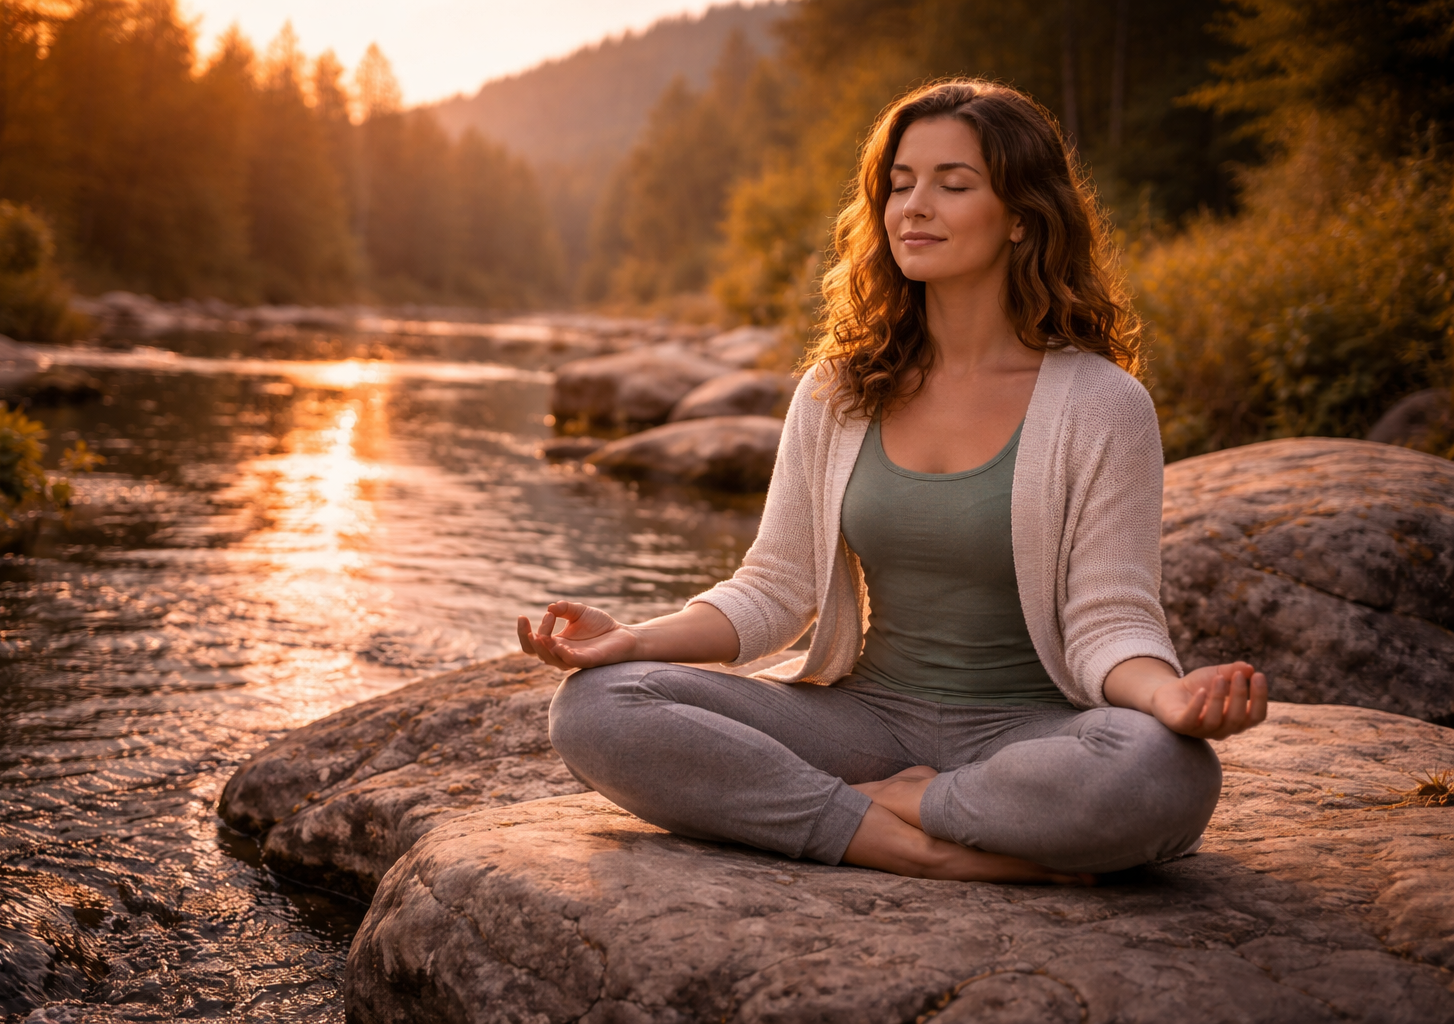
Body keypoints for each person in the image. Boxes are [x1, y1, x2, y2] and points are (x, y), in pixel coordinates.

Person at [517, 79, 1267, 884]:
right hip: (862, 722)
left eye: (954, 184)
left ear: (1021, 214)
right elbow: (775, 589)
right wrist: (636, 638)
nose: (915, 206)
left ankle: (914, 800)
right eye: (900, 184)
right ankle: (906, 839)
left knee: (1164, 771)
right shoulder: (839, 390)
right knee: (598, 705)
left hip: (1032, 734)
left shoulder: (1102, 404)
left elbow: (1108, 619)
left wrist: (1169, 701)